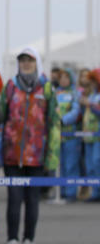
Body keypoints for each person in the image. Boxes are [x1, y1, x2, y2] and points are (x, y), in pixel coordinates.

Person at [0, 47, 60, 244]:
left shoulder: (47, 88)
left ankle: (28, 242)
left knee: (32, 200)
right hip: (12, 154)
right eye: (22, 60)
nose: (26, 64)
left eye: (30, 60)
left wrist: (51, 156)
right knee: (14, 200)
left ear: (37, 63)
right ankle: (12, 242)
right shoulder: (10, 86)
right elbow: (0, 117)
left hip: (37, 154)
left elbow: (53, 123)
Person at [55, 68, 82, 201]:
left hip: (71, 134)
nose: (63, 80)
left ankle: (71, 192)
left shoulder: (74, 93)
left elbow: (76, 110)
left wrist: (63, 120)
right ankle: (61, 192)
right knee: (61, 165)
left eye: (66, 77)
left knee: (71, 164)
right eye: (61, 77)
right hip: (57, 135)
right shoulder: (56, 93)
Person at [81, 70, 100, 201]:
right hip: (88, 135)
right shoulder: (92, 95)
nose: (91, 84)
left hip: (98, 136)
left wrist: (90, 104)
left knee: (96, 162)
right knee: (89, 164)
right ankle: (95, 192)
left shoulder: (94, 98)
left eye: (93, 81)